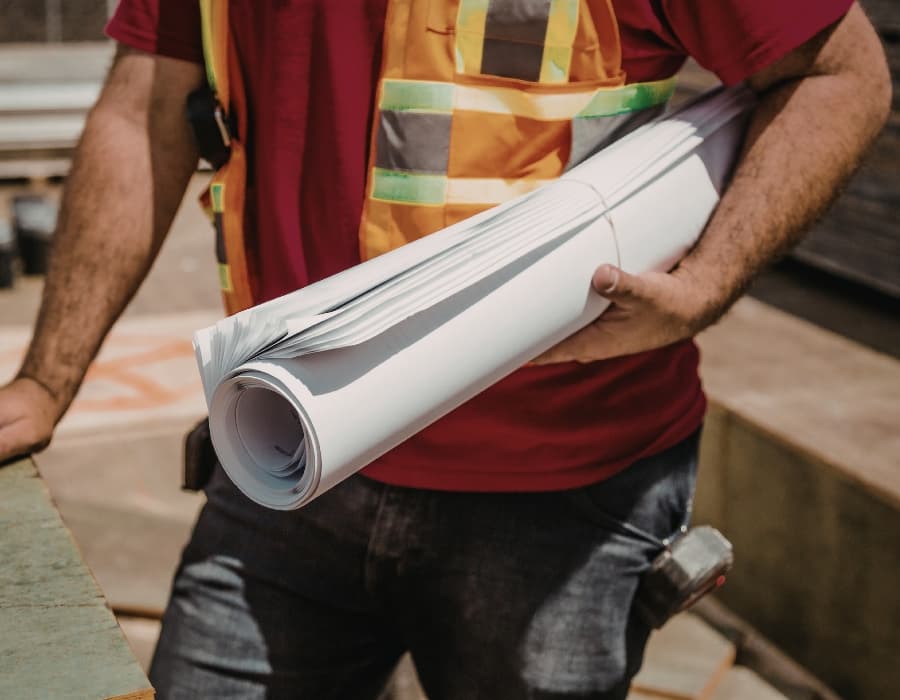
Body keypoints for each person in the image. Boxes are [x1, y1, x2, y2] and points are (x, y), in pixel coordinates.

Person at [0, 1, 889, 698]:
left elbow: (840, 76)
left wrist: (710, 280)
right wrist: (46, 380)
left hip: (565, 493)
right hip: (288, 462)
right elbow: (145, 110)